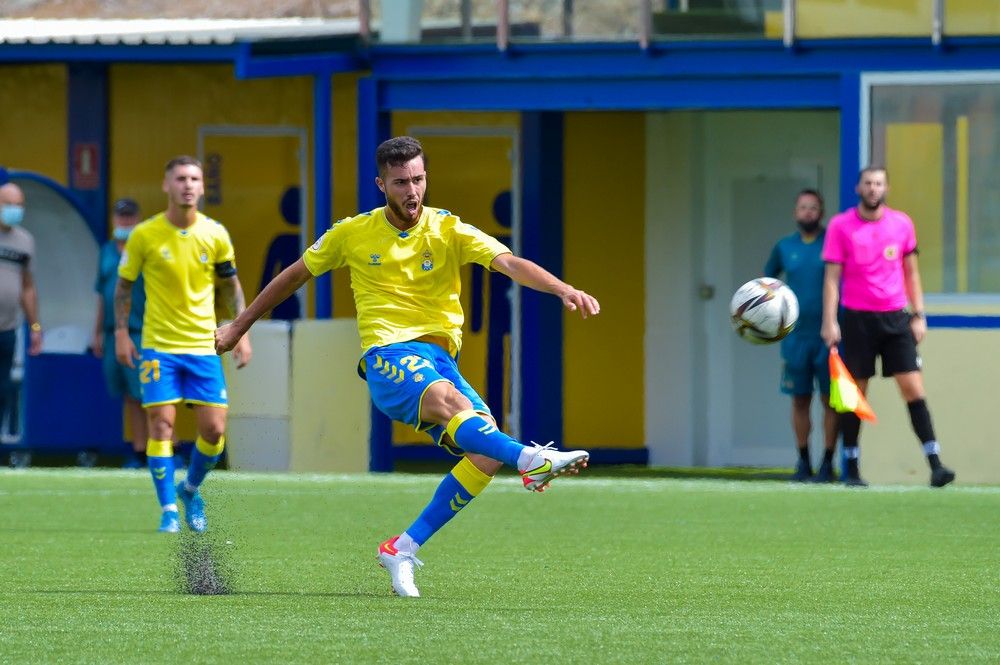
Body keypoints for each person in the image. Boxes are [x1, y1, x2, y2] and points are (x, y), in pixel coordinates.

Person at [215, 136, 600, 597]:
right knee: (453, 404)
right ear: (382, 185)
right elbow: (292, 276)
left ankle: (402, 546)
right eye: (401, 182)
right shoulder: (352, 233)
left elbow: (510, 263)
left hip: (440, 359)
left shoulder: (448, 229)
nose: (412, 190)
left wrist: (562, 289)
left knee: (483, 450)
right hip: (389, 355)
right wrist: (239, 326)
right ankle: (531, 459)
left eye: (418, 179)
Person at [115, 156, 252, 533]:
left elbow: (230, 286)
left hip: (203, 347)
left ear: (202, 187)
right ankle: (168, 511)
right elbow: (124, 287)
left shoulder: (215, 234)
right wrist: (121, 333)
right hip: (158, 346)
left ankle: (189, 489)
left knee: (213, 432)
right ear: (166, 185)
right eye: (180, 179)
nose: (187, 185)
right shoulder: (145, 234)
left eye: (194, 178)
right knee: (161, 425)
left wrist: (240, 331)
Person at [821, 166, 955, 488]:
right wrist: (830, 321)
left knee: (913, 389)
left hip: (896, 318)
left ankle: (936, 465)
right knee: (855, 394)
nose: (873, 188)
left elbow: (912, 273)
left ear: (887, 189)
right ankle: (851, 466)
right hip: (857, 318)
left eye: (879, 183)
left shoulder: (902, 223)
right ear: (858, 188)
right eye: (868, 183)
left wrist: (919, 314)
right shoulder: (841, 226)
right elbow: (832, 279)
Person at [764, 189, 838, 483]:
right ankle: (803, 460)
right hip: (796, 338)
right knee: (799, 399)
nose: (808, 212)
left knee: (830, 401)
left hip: (826, 335)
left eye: (813, 208)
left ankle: (827, 462)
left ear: (821, 212)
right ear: (796, 212)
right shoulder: (784, 247)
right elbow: (766, 282)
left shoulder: (831, 244)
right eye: (803, 207)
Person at [93, 198, 148, 468]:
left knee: (148, 394)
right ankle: (139, 451)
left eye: (130, 217)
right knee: (129, 396)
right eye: (121, 217)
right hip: (113, 332)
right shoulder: (106, 251)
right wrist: (97, 333)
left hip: (139, 330)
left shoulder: (145, 250)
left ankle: (168, 450)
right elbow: (103, 296)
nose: (125, 222)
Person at [0, 183, 42, 450]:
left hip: (8, 328)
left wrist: (35, 326)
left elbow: (27, 287)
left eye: (19, 205)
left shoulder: (25, 241)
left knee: (3, 390)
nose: (14, 210)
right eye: (8, 204)